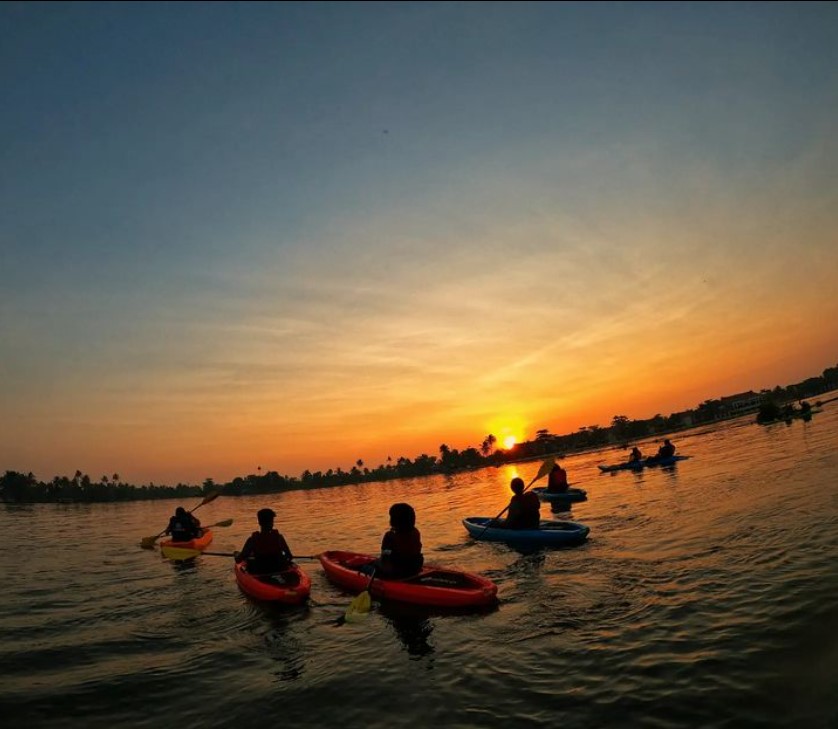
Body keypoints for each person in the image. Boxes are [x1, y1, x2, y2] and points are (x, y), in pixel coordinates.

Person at [235, 508, 293, 574]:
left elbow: (240, 559)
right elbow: (289, 556)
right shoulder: (279, 538)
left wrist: (237, 556)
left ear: (259, 522)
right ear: (272, 523)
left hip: (260, 570)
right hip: (278, 568)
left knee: (249, 561)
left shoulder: (252, 540)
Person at [377, 502, 424, 579]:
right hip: (414, 569)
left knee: (367, 567)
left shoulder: (389, 536)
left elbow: (385, 559)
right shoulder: (415, 532)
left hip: (397, 573)